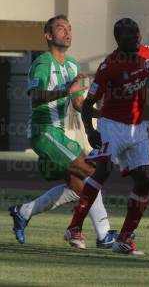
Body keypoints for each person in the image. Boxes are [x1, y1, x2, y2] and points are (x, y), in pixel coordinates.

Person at [64, 18, 149, 255]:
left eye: (137, 33)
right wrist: (91, 130)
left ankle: (124, 238)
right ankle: (74, 226)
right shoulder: (109, 66)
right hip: (111, 125)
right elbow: (88, 104)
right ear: (119, 41)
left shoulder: (145, 52)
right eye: (130, 36)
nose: (136, 39)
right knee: (102, 171)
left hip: (138, 128)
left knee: (144, 180)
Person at [8, 15, 117, 248]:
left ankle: (23, 212)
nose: (67, 32)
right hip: (44, 131)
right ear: (48, 36)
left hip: (60, 132)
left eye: (69, 28)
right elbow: (36, 96)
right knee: (91, 172)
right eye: (60, 28)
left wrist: (104, 114)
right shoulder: (42, 63)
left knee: (78, 188)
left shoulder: (73, 65)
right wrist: (67, 89)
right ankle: (104, 235)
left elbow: (78, 104)